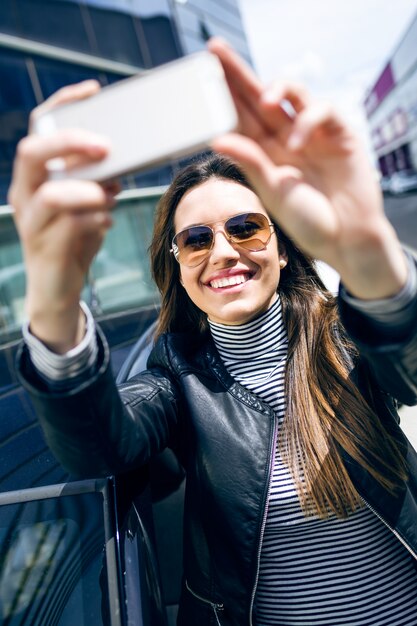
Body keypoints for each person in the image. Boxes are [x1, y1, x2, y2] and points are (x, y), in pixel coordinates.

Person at [9, 38, 417, 626]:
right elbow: (98, 446)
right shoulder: (175, 379)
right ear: (176, 265)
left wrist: (371, 261)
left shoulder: (349, 336)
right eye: (196, 239)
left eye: (246, 228)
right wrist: (52, 299)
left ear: (281, 248)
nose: (222, 252)